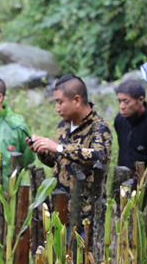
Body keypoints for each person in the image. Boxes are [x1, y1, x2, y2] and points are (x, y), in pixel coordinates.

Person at [28, 74, 112, 212]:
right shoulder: (63, 125)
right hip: (60, 208)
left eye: (60, 102)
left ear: (77, 100)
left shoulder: (99, 127)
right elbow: (57, 161)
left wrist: (59, 148)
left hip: (86, 212)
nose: (57, 108)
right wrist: (42, 150)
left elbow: (98, 156)